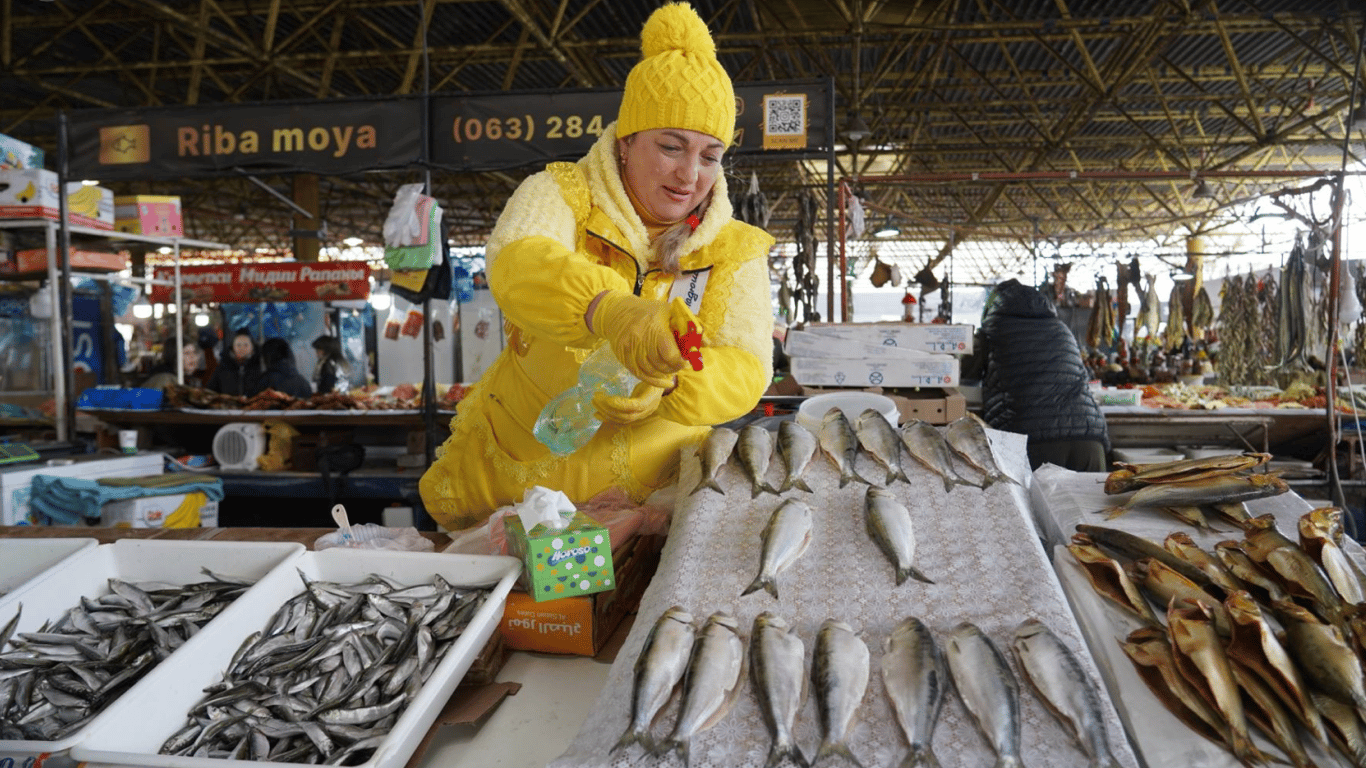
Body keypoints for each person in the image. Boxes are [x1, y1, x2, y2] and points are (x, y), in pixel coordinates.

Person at [420, 2, 775, 532]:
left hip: (652, 510)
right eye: (671, 146)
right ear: (627, 143)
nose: (689, 174)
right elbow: (519, 261)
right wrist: (609, 311)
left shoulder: (733, 248)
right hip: (514, 496)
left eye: (710, 155)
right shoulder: (562, 193)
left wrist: (673, 381)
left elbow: (748, 367)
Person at [973, 278, 1110, 471]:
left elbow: (965, 372)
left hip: (1030, 441)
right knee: (1091, 501)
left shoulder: (993, 328)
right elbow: (1082, 375)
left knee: (1031, 502)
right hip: (1088, 441)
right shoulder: (1061, 329)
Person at [205, 328, 262, 396]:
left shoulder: (260, 367)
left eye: (246, 345)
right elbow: (210, 390)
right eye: (238, 345)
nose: (242, 348)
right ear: (233, 347)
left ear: (252, 348)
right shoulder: (223, 367)